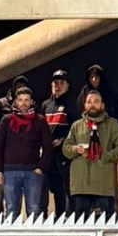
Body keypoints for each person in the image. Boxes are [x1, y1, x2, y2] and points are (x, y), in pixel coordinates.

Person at [62, 90, 118, 218]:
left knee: (107, 223)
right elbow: (66, 149)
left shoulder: (112, 125)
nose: (92, 105)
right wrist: (76, 149)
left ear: (102, 105)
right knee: (81, 226)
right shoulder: (77, 126)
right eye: (89, 102)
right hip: (80, 184)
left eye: (96, 101)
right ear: (84, 105)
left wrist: (107, 156)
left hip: (103, 184)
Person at [0, 85, 51, 219]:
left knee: (34, 210)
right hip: (10, 171)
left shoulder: (40, 121)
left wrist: (41, 167)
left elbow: (48, 147)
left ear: (31, 102)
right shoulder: (6, 120)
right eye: (20, 100)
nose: (23, 103)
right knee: (11, 210)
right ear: (16, 102)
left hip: (33, 172)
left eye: (26, 100)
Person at [40, 69, 75, 216]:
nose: (58, 86)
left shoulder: (72, 105)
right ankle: (59, 217)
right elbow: (41, 128)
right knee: (55, 189)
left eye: (61, 83)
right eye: (55, 83)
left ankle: (69, 218)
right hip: (49, 155)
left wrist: (63, 140)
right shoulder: (46, 105)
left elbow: (76, 129)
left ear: (67, 85)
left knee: (67, 188)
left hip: (65, 154)